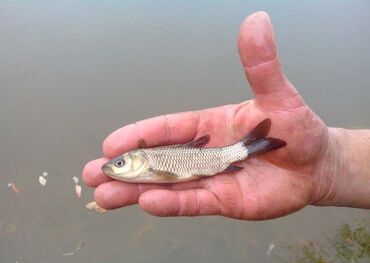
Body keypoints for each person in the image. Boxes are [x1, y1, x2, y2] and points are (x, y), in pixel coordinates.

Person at [82, 12, 370, 219]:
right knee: (221, 157)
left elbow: (171, 173)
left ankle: (244, 148)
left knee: (223, 156)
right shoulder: (148, 167)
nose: (115, 166)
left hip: (215, 158)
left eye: (120, 163)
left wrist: (329, 160)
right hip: (216, 158)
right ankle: (244, 149)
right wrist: (331, 161)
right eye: (118, 163)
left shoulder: (150, 167)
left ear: (138, 161)